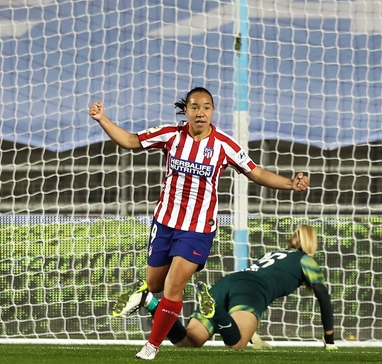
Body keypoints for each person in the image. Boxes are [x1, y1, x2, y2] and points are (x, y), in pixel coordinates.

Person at [89, 87, 309, 360]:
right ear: (186, 111)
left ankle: (152, 345)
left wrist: (290, 184)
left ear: (212, 112)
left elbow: (257, 172)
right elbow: (131, 141)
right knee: (155, 283)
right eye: (195, 107)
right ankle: (149, 298)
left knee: (173, 285)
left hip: (198, 228)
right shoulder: (171, 134)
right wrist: (103, 119)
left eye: (206, 107)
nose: (200, 112)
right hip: (165, 222)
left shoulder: (224, 145)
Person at [114, 225, 337, 351]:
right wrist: (329, 340)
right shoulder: (306, 260)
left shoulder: (274, 254)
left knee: (190, 342)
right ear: (311, 243)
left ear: (292, 239)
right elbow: (323, 298)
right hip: (251, 290)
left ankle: (151, 302)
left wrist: (254, 336)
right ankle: (216, 311)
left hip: (228, 283)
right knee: (236, 343)